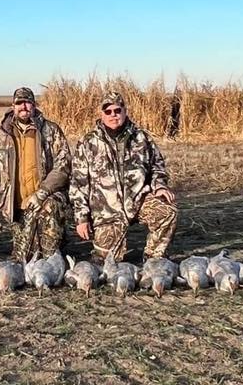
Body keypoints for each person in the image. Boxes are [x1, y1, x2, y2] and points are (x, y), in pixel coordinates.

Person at [69, 91, 178, 260]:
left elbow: (157, 166)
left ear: (124, 111)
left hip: (138, 201)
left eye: (117, 110)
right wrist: (82, 218)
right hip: (106, 210)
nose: (113, 115)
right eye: (108, 111)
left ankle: (154, 259)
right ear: (102, 114)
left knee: (167, 212)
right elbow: (78, 183)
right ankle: (106, 251)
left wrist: (160, 185)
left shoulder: (141, 138)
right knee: (108, 261)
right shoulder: (88, 142)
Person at [0, 86, 72, 260]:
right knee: (24, 257)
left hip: (44, 199)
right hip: (18, 206)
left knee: (48, 256)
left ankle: (54, 244)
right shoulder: (2, 135)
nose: (24, 106)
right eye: (20, 103)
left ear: (34, 105)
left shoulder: (50, 130)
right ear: (13, 106)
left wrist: (42, 192)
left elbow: (63, 166)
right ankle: (46, 239)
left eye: (28, 103)